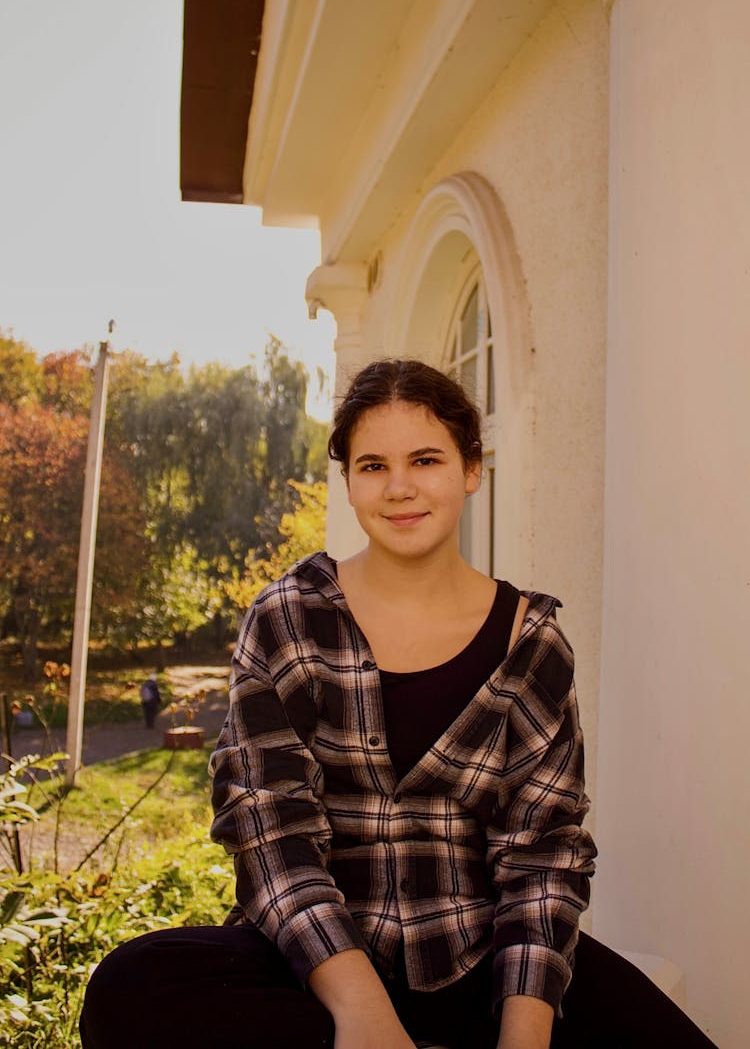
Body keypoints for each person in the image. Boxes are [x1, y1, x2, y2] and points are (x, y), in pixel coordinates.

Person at [80, 359, 716, 1048]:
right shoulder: (287, 620)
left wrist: (523, 1039)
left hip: (482, 957)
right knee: (131, 985)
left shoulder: (533, 644)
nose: (400, 487)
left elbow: (543, 857)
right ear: (349, 481)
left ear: (471, 468)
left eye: (425, 459)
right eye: (373, 465)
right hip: (319, 967)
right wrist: (363, 1015)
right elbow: (273, 835)